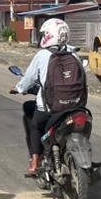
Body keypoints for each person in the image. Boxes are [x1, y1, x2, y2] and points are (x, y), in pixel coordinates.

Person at [10, 18, 75, 177]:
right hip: (75, 106)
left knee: (35, 125)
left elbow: (28, 79)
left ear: (49, 35)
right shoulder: (74, 53)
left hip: (50, 108)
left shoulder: (42, 55)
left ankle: (34, 164)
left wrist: (18, 89)